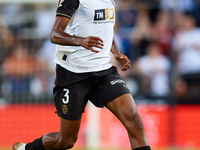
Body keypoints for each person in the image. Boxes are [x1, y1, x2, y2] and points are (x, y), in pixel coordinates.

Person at [12, 0, 151, 150]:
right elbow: (55, 34)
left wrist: (116, 52)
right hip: (73, 74)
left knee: (134, 119)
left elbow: (104, 28)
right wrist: (80, 41)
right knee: (66, 141)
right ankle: (25, 149)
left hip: (104, 72)